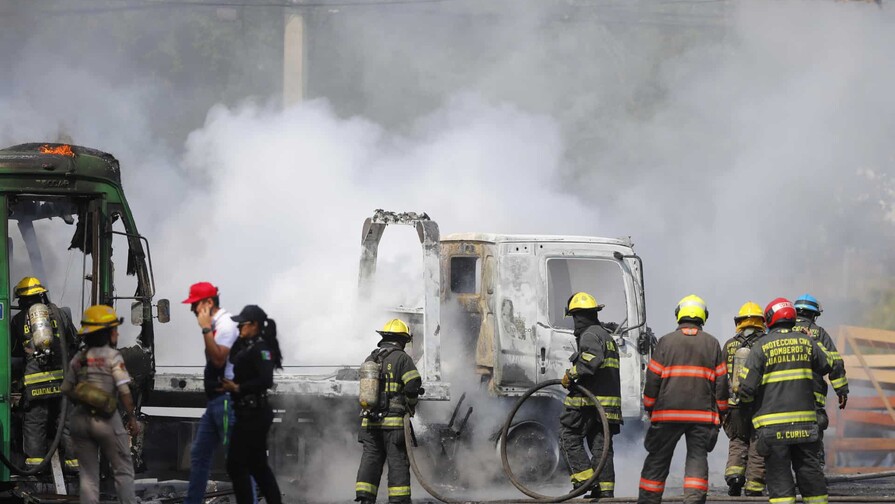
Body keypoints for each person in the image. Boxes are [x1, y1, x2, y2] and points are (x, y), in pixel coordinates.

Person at [738, 298, 833, 504]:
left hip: (773, 430)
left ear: (770, 319)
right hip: (806, 427)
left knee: (780, 483)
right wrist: (813, 341)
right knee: (811, 476)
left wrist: (745, 409)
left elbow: (746, 388)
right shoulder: (807, 342)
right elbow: (828, 364)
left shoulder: (761, 346)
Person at [638, 295, 727, 504]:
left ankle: (649, 501)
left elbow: (652, 379)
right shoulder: (712, 343)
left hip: (667, 414)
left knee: (657, 460)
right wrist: (722, 413)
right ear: (703, 316)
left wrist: (650, 407)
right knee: (697, 460)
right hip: (702, 417)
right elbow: (722, 384)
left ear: (679, 315)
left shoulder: (666, 342)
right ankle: (693, 501)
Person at [61, 305, 140, 504]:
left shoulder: (78, 358)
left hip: (79, 421)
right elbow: (124, 392)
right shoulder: (113, 357)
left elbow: (66, 388)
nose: (117, 332)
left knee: (88, 476)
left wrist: (85, 397)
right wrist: (132, 418)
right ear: (106, 333)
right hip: (106, 421)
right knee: (123, 470)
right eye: (114, 328)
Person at [11, 276, 79, 471]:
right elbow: (74, 341)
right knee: (66, 421)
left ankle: (35, 465)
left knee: (35, 422)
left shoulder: (17, 319)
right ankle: (75, 464)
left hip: (35, 382)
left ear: (23, 299)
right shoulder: (61, 314)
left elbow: (14, 351)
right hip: (63, 380)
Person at [182, 282, 240, 504]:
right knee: (199, 455)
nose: (193, 311)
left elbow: (218, 359)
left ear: (208, 303)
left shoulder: (225, 325)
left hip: (227, 403)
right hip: (216, 402)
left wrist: (205, 328)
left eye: (195, 305)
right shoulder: (217, 325)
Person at [559, 292, 621, 500]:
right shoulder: (605, 335)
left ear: (578, 316)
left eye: (575, 318)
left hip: (589, 403)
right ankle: (604, 490)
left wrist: (571, 374)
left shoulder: (589, 335)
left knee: (568, 435)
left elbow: (591, 361)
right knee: (600, 447)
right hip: (607, 406)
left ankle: (584, 480)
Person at [220, 305, 283, 504]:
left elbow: (266, 380)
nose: (239, 328)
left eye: (242, 325)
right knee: (257, 465)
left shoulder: (261, 349)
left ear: (254, 325)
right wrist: (240, 337)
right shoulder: (248, 345)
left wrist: (238, 388)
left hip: (254, 413)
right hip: (247, 412)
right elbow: (232, 357)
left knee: (237, 464)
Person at [355, 319, 422, 504]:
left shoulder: (371, 359)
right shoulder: (402, 358)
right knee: (398, 462)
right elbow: (413, 385)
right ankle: (399, 500)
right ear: (402, 340)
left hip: (369, 423)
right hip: (393, 426)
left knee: (370, 459)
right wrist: (411, 405)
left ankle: (365, 498)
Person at [792, 293, 848, 455]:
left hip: (779, 398)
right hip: (812, 398)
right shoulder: (818, 333)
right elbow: (835, 363)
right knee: (812, 446)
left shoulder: (781, 332)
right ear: (814, 315)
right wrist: (841, 391)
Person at [720, 301, 767, 497]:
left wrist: (720, 406)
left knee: (737, 440)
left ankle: (734, 477)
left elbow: (721, 377)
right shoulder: (766, 342)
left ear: (739, 322)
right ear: (761, 322)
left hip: (734, 405)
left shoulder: (730, 345)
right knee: (756, 442)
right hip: (759, 405)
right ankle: (754, 485)